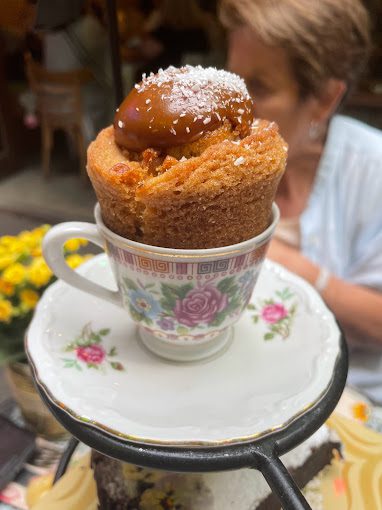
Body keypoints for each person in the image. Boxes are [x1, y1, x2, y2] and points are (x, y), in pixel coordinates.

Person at [220, 0, 382, 403]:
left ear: (325, 100)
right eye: (230, 80)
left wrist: (295, 268)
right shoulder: (216, 166)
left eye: (258, 87)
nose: (230, 108)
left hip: (349, 398)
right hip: (238, 389)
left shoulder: (371, 169)